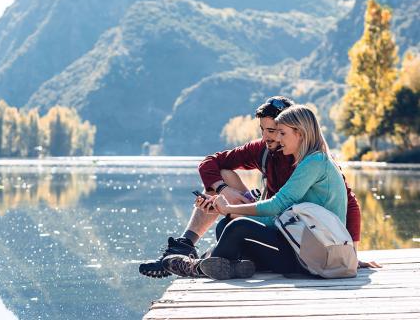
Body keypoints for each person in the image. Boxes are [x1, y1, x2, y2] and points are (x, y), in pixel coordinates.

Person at [138, 97, 375, 279]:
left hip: (309, 246)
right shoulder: (280, 153)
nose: (271, 138)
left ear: (298, 132)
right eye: (265, 131)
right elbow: (211, 163)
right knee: (229, 226)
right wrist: (223, 193)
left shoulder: (313, 162)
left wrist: (350, 252)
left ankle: (197, 266)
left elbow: (280, 206)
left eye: (278, 132)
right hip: (298, 237)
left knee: (237, 227)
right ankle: (223, 260)